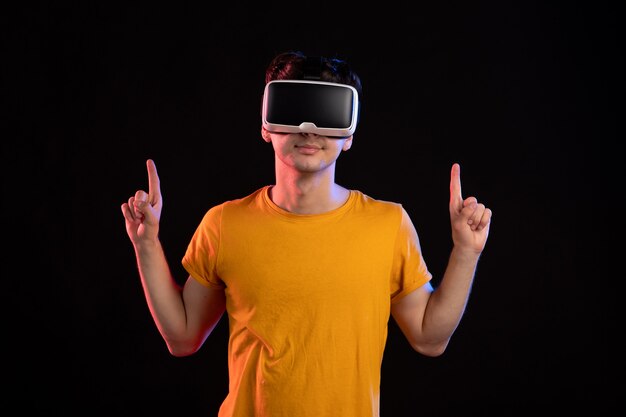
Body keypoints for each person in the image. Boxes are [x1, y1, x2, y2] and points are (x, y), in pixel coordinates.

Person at [121, 50, 492, 417]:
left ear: (348, 134)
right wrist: (146, 244)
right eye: (293, 110)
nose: (309, 129)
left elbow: (430, 339)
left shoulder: (388, 224)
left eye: (327, 113)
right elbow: (183, 337)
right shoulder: (224, 223)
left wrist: (465, 252)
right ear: (266, 126)